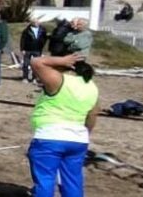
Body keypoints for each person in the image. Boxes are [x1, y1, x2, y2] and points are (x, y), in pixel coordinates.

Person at [27, 54, 99, 197]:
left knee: (45, 180)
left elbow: (36, 62)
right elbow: (93, 115)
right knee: (72, 181)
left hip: (50, 136)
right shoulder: (91, 86)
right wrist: (85, 133)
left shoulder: (59, 80)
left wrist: (61, 60)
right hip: (78, 139)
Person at [20, 18, 48, 83]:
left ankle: (34, 78)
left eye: (37, 22)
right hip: (27, 49)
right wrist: (22, 49)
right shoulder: (27, 30)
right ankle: (25, 77)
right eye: (35, 22)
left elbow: (45, 38)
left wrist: (42, 45)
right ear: (32, 23)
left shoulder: (42, 30)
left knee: (36, 65)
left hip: (37, 49)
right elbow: (22, 40)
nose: (37, 23)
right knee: (26, 64)